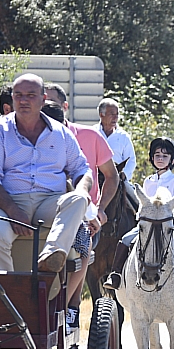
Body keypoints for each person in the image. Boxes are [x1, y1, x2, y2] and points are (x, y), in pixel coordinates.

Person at [0, 74, 92, 273]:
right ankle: (7, 289)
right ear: (12, 99)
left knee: (79, 198)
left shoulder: (61, 133)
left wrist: (82, 189)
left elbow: (82, 169)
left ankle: (51, 255)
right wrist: (13, 211)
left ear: (43, 99)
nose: (23, 100)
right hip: (10, 200)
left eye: (30, 95)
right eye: (18, 95)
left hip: (51, 201)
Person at [41, 94, 120, 312]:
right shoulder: (30, 140)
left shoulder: (89, 136)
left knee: (82, 241)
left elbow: (111, 176)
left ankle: (69, 306)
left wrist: (100, 210)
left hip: (84, 213)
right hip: (43, 209)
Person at [105, 137, 174, 295]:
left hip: (171, 224)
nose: (160, 159)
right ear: (152, 158)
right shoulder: (148, 181)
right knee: (125, 240)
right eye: (157, 155)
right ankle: (116, 275)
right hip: (149, 224)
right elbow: (143, 205)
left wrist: (162, 216)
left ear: (172, 160)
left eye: (165, 156)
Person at [97, 97, 136, 180]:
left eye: (117, 114)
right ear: (101, 114)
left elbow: (131, 160)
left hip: (118, 178)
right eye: (112, 114)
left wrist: (124, 174)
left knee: (131, 189)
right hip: (95, 178)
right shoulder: (93, 133)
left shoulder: (123, 136)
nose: (115, 118)